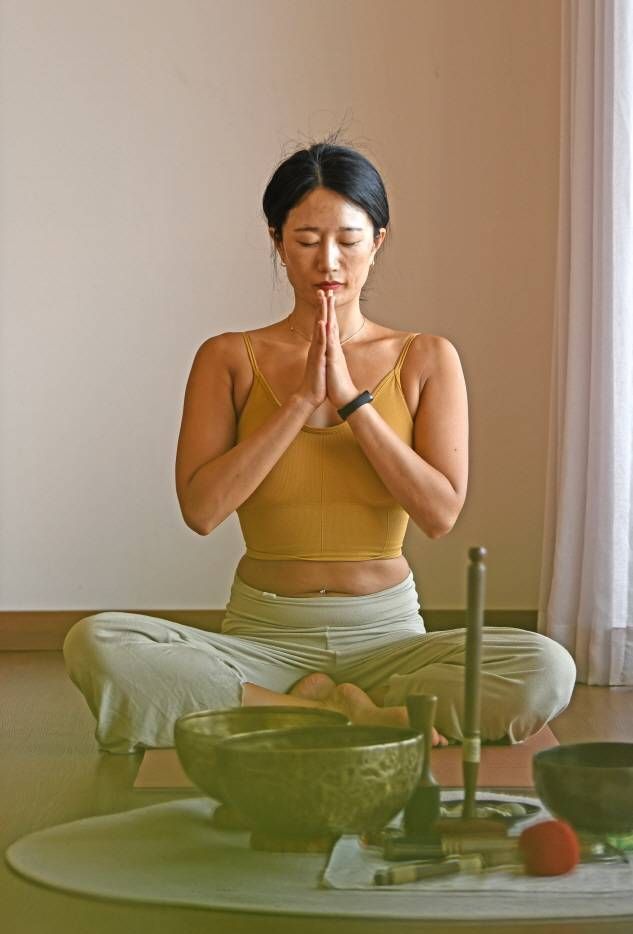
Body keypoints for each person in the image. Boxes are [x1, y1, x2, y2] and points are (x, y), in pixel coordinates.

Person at [63, 139, 576, 754]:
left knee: (546, 667)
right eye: (306, 240)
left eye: (348, 240)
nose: (328, 261)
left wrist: (353, 401)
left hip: (389, 643)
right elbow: (201, 511)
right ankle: (344, 715)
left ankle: (279, 714)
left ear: (378, 242)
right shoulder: (227, 357)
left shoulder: (426, 357)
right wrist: (301, 401)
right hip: (261, 641)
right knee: (97, 643)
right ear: (278, 242)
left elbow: (440, 514)